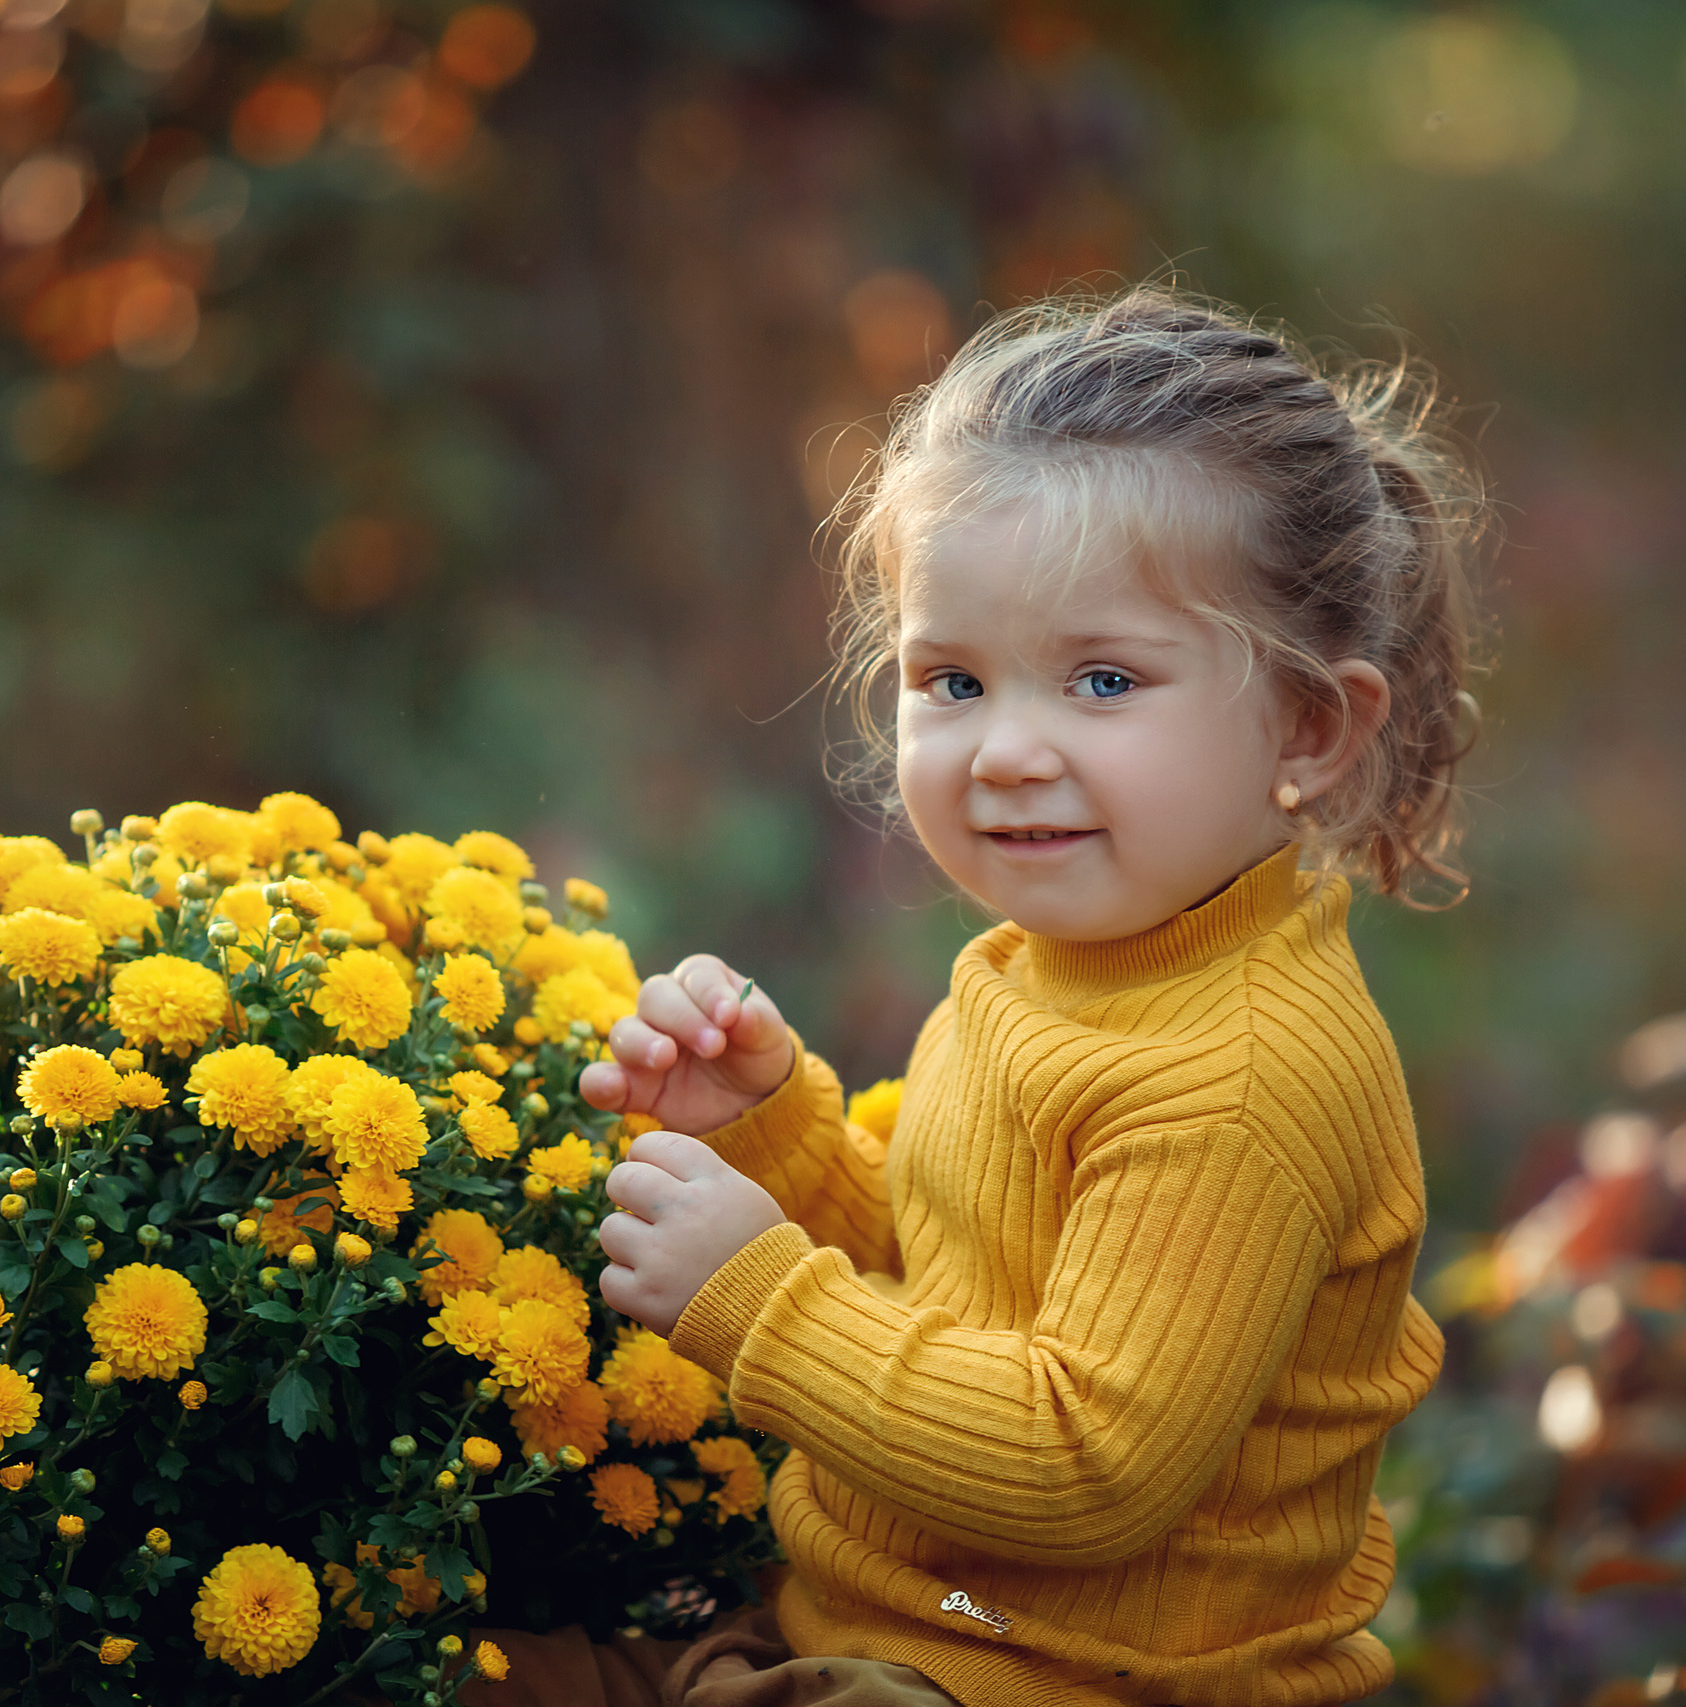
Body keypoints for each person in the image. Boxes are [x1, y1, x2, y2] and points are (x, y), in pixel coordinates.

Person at [481, 284, 1478, 1707]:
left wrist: (759, 1302)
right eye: (952, 681)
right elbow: (949, 1294)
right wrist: (770, 1134)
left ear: (1310, 728)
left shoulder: (1242, 1074)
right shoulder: (1044, 971)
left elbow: (1084, 1465)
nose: (1006, 750)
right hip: (884, 1633)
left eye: (1103, 680)